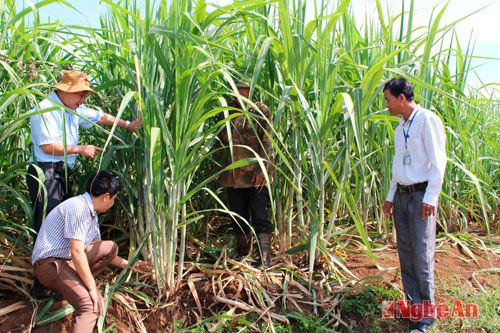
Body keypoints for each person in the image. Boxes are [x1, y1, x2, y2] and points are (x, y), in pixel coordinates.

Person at [27, 70, 141, 234]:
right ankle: (45, 260)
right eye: (80, 95)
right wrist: (80, 149)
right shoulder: (44, 110)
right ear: (66, 90)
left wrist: (129, 125)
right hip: (45, 172)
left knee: (61, 221)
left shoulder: (73, 109)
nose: (83, 100)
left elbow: (101, 117)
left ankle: (60, 259)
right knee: (48, 222)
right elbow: (48, 147)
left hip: (61, 172)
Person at [32, 171, 147, 333]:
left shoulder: (90, 212)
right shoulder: (78, 208)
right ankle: (77, 291)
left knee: (109, 248)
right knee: (90, 307)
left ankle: (72, 289)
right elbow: (77, 252)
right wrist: (92, 289)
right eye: (114, 198)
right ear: (106, 196)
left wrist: (132, 266)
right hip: (51, 266)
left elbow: (97, 249)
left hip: (64, 263)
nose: (113, 203)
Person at [382, 78, 447, 333]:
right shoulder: (400, 128)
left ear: (401, 98)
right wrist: (390, 196)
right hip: (402, 196)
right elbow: (398, 166)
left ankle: (428, 314)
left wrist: (431, 197)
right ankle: (414, 305)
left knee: (421, 253)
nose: (386, 104)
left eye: (388, 99)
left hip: (421, 197)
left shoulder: (427, 120)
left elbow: (438, 162)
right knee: (405, 253)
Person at [217, 80, 275, 267]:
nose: (240, 93)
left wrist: (262, 170)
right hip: (233, 177)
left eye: (244, 89)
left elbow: (267, 142)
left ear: (250, 91)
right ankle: (243, 255)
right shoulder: (226, 112)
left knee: (260, 216)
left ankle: (264, 259)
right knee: (238, 215)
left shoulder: (260, 111)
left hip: (254, 176)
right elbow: (220, 143)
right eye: (236, 90)